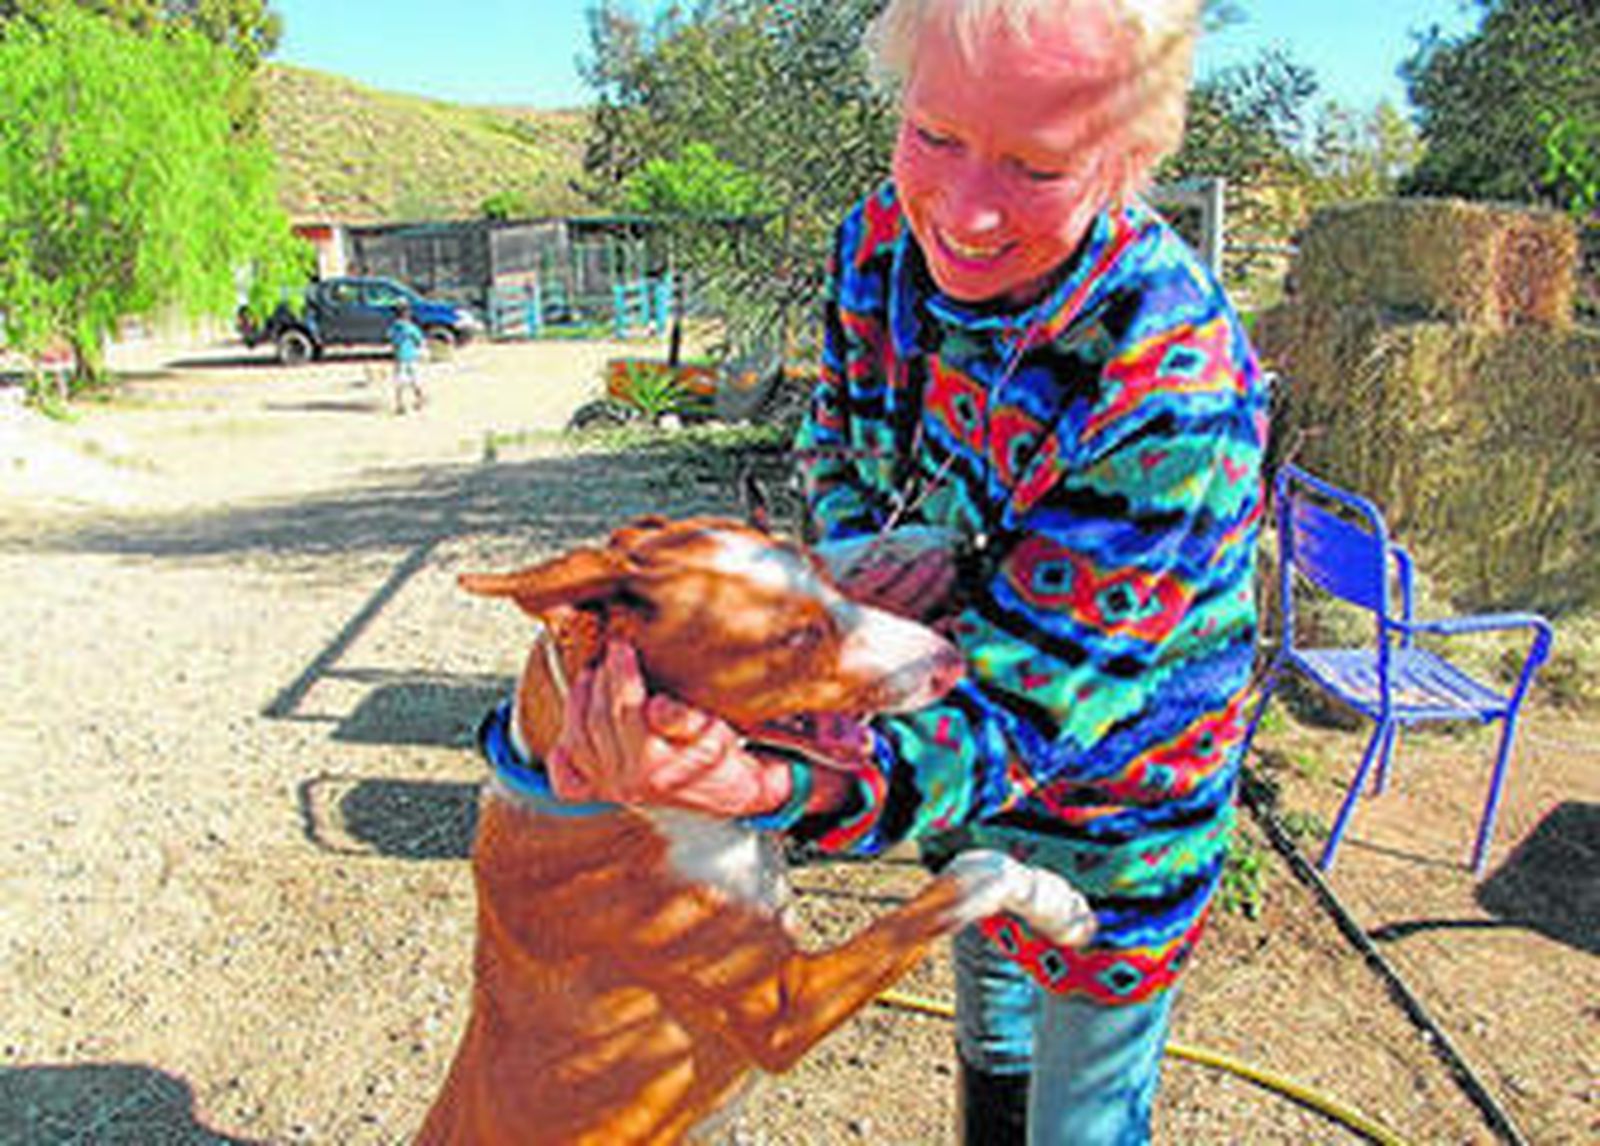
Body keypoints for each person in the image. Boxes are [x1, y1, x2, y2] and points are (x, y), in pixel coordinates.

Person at [536, 1, 1267, 1142]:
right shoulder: (880, 244)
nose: (965, 211)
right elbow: (840, 439)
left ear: (1128, 163)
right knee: (991, 1036)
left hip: (1118, 817)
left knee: (1077, 1116)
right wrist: (859, 578)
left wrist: (771, 788)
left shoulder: (1167, 381)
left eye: (1037, 165)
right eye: (934, 134)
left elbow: (1022, 720)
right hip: (940, 759)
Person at [388, 301, 426, 414]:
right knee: (415, 380)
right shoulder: (411, 328)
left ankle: (401, 404)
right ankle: (419, 399)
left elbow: (393, 341)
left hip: (401, 357)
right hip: (411, 357)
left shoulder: (395, 328)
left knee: (400, 381)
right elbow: (419, 341)